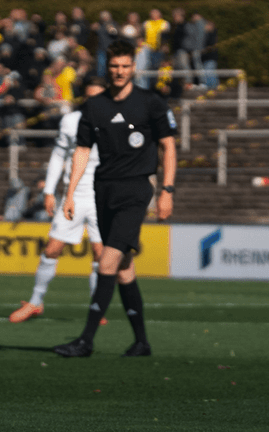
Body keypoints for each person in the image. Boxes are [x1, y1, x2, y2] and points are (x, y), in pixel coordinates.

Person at [52, 40, 177, 358]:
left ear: (133, 67)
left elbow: (168, 147)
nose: (120, 71)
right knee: (122, 267)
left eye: (125, 66)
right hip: (102, 189)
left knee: (106, 260)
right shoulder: (94, 106)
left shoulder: (151, 102)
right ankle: (141, 342)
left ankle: (86, 341)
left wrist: (167, 190)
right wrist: (69, 194)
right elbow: (81, 151)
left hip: (135, 191)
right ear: (107, 69)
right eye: (114, 66)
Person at [10, 77, 107, 323]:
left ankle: (97, 308)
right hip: (74, 195)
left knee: (100, 253)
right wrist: (50, 190)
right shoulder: (71, 121)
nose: (93, 101)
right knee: (52, 248)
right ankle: (35, 302)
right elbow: (58, 155)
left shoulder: (117, 121)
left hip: (104, 196)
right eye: (89, 96)